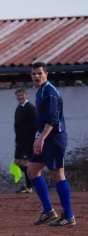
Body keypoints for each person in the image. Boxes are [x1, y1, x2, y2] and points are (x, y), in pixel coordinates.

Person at [27, 62, 75, 226]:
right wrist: (37, 137)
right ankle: (48, 211)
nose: (37, 76)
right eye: (34, 74)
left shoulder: (49, 92)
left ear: (46, 74)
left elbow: (52, 120)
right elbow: (41, 121)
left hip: (54, 138)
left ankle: (68, 216)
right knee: (32, 171)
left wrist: (41, 139)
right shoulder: (41, 91)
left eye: (40, 73)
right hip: (45, 137)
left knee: (58, 175)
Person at [13, 88, 35, 194]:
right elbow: (17, 126)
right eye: (18, 95)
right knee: (17, 162)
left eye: (21, 95)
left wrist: (34, 141)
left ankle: (29, 186)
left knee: (26, 163)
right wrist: (17, 140)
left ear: (26, 95)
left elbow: (35, 126)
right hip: (20, 141)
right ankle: (29, 183)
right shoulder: (18, 108)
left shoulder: (30, 108)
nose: (19, 97)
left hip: (28, 141)